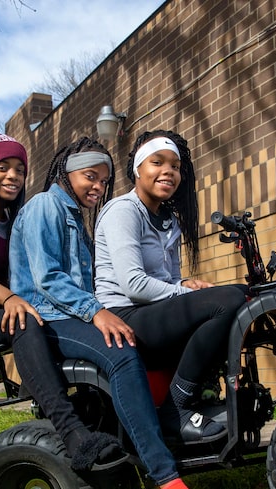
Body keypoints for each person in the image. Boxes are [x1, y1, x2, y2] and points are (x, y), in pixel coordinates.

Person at [8, 136, 222, 489]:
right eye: (91, 176)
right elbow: (48, 280)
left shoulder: (75, 216)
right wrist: (99, 312)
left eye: (104, 181)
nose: (98, 187)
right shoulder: (44, 207)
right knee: (121, 351)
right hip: (50, 318)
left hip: (72, 314)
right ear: (66, 172)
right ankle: (166, 483)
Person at [0, 125, 124, 472]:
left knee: (48, 323)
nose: (13, 176)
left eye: (20, 169)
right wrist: (10, 300)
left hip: (0, 313)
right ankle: (74, 434)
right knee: (25, 322)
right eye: (3, 168)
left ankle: (102, 422)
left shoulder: (15, 218)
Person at [94, 130, 248, 444]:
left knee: (240, 294)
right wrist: (189, 294)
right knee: (227, 300)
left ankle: (208, 394)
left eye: (175, 166)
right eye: (158, 162)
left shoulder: (169, 222)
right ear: (138, 169)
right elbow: (135, 285)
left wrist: (183, 284)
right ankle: (174, 408)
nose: (169, 171)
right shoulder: (123, 211)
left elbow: (164, 282)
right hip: (124, 315)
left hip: (151, 310)